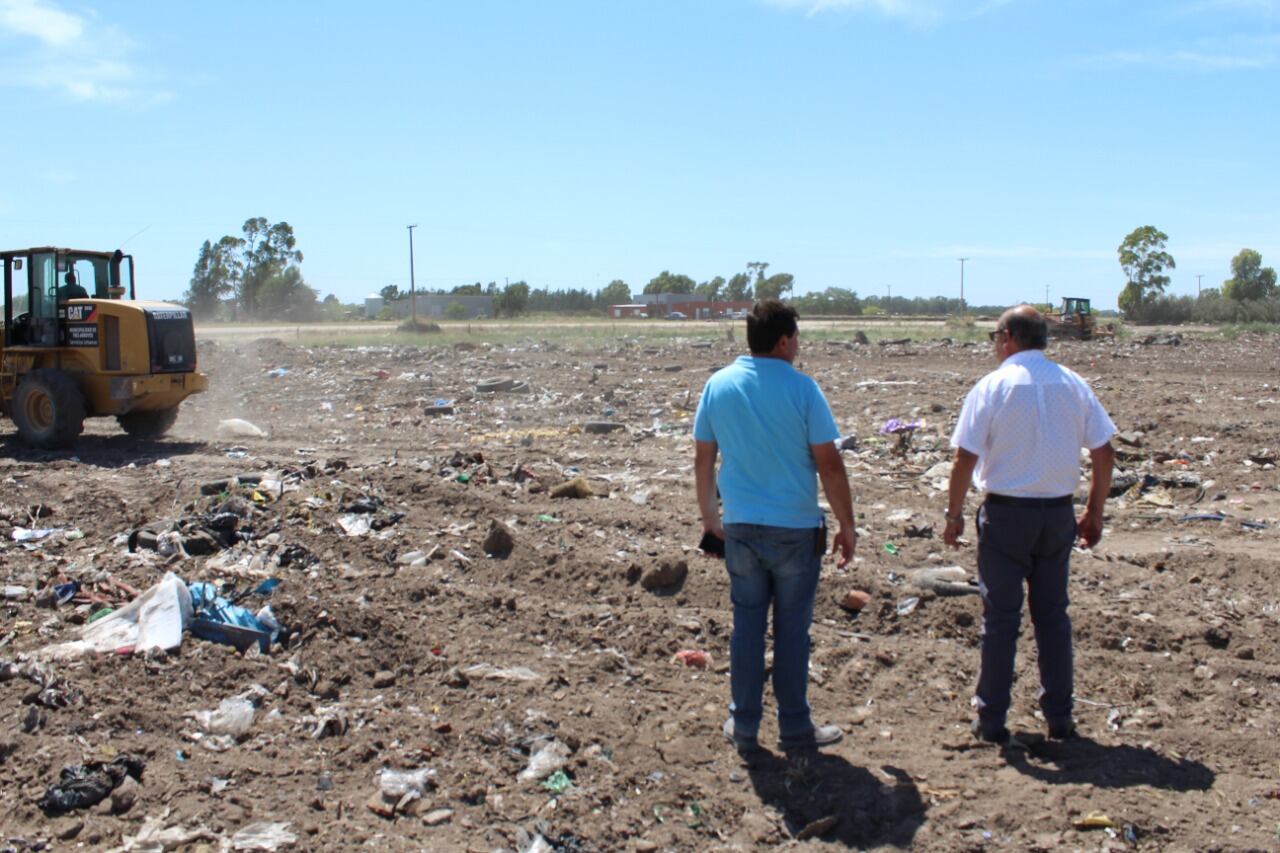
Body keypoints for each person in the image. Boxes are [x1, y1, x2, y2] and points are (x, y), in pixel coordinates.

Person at [944, 304, 1115, 745]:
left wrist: (954, 513)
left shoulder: (993, 386)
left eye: (994, 338)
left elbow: (966, 457)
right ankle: (1059, 717)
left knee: (1001, 619)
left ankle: (992, 719)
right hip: (1056, 515)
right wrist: (1094, 509)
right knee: (1052, 617)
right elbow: (1104, 452)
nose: (994, 346)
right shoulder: (1073, 384)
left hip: (1006, 515)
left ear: (1008, 338)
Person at [693, 299, 857, 752]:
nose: (798, 346)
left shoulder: (718, 385)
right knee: (791, 631)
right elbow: (830, 464)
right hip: (795, 531)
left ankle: (743, 725)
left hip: (741, 528)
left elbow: (703, 461)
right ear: (784, 340)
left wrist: (710, 519)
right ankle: (795, 728)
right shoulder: (804, 390)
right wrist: (847, 523)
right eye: (796, 338)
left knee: (746, 627)